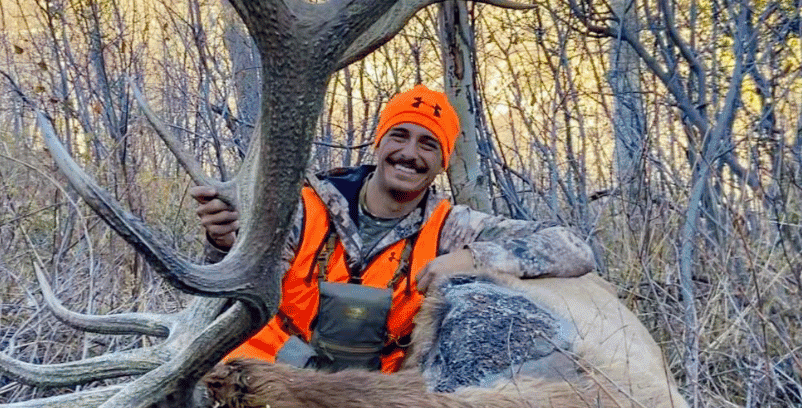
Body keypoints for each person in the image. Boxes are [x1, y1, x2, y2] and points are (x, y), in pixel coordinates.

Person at [191, 85, 596, 372]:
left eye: (428, 144)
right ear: (378, 144)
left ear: (442, 163)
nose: (409, 154)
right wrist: (224, 243)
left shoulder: (450, 228)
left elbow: (572, 248)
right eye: (399, 136)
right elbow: (239, 288)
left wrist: (472, 258)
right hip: (267, 375)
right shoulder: (303, 206)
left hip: (371, 403)